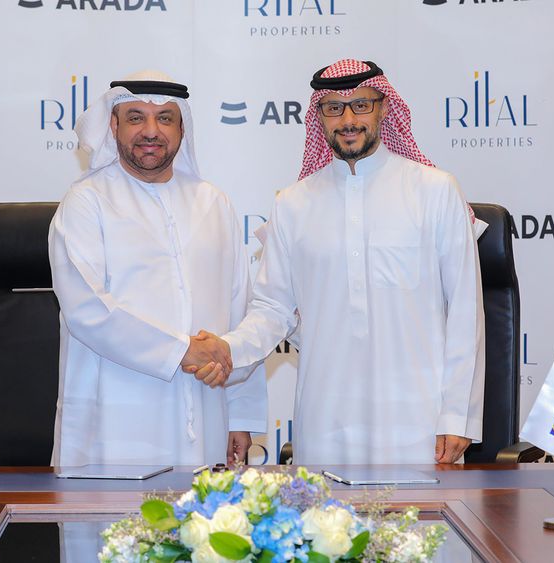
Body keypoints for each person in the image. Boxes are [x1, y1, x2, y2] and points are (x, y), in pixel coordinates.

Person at [193, 59, 485, 465]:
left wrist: (457, 415)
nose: (348, 119)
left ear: (384, 107)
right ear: (319, 117)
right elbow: (272, 309)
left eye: (361, 105)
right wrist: (228, 348)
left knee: (421, 529)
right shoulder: (293, 204)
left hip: (418, 423)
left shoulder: (435, 191)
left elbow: (465, 311)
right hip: (325, 422)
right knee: (328, 528)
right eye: (334, 108)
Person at [48, 70, 266, 468]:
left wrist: (241, 416)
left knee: (203, 528)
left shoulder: (213, 204)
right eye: (135, 118)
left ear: (182, 128)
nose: (151, 131)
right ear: (113, 125)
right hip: (114, 423)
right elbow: (89, 311)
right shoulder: (86, 202)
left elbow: (240, 311)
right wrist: (183, 350)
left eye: (165, 118)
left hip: (206, 414)